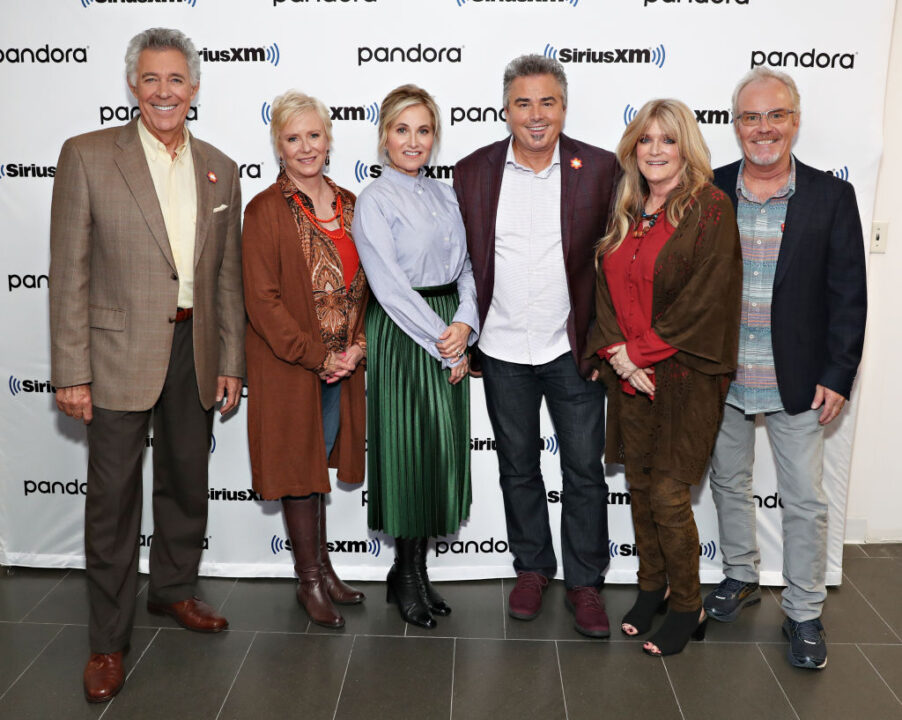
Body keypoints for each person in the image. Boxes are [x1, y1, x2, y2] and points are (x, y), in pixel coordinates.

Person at [48, 28, 245, 703]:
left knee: (188, 484)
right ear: (134, 86)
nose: (165, 92)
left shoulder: (221, 166)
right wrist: (71, 370)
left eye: (176, 80)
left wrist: (231, 362)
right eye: (152, 80)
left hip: (197, 350)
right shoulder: (87, 156)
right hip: (115, 355)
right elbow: (68, 273)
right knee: (111, 504)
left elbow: (225, 278)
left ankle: (173, 591)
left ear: (194, 89)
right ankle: (107, 642)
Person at [704, 67, 867, 670]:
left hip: (799, 377)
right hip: (722, 374)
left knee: (803, 501)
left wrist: (838, 373)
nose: (763, 128)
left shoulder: (831, 197)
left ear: (795, 121)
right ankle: (740, 575)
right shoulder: (710, 190)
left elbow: (849, 295)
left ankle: (802, 612)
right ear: (736, 124)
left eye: (776, 115)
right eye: (751, 117)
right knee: (728, 482)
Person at [453, 54, 619, 638]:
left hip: (570, 350)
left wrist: (606, 342)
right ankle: (532, 568)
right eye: (523, 103)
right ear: (505, 109)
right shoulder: (472, 171)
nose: (536, 114)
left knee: (583, 472)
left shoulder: (600, 169)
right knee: (517, 468)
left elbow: (614, 263)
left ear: (564, 107)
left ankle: (585, 582)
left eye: (547, 101)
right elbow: (463, 263)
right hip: (500, 350)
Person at [587, 99, 742, 656]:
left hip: (685, 376)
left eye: (667, 140)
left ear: (686, 148)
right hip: (629, 374)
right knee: (642, 488)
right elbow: (603, 286)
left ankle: (687, 605)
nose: (655, 150)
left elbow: (707, 297)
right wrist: (619, 355)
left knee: (672, 495)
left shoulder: (709, 207)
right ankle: (651, 587)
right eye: (646, 140)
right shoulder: (628, 206)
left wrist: (641, 354)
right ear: (633, 148)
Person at [352, 84, 478, 629]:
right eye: (402, 129)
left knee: (437, 452)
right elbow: (389, 286)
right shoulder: (373, 200)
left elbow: (471, 267)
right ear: (384, 137)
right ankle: (403, 575)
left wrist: (466, 324)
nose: (413, 140)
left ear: (435, 138)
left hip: (449, 325)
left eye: (423, 130)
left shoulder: (448, 195)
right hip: (405, 335)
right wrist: (442, 339)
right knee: (407, 450)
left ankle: (418, 571)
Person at [242, 91, 368, 629]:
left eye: (314, 135)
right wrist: (319, 357)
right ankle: (308, 581)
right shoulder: (265, 210)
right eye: (293, 138)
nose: (306, 147)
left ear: (329, 138)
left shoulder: (354, 204)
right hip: (291, 366)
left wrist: (356, 348)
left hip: (343, 362)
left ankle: (325, 568)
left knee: (317, 466)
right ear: (278, 146)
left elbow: (371, 287)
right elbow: (263, 302)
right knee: (298, 469)